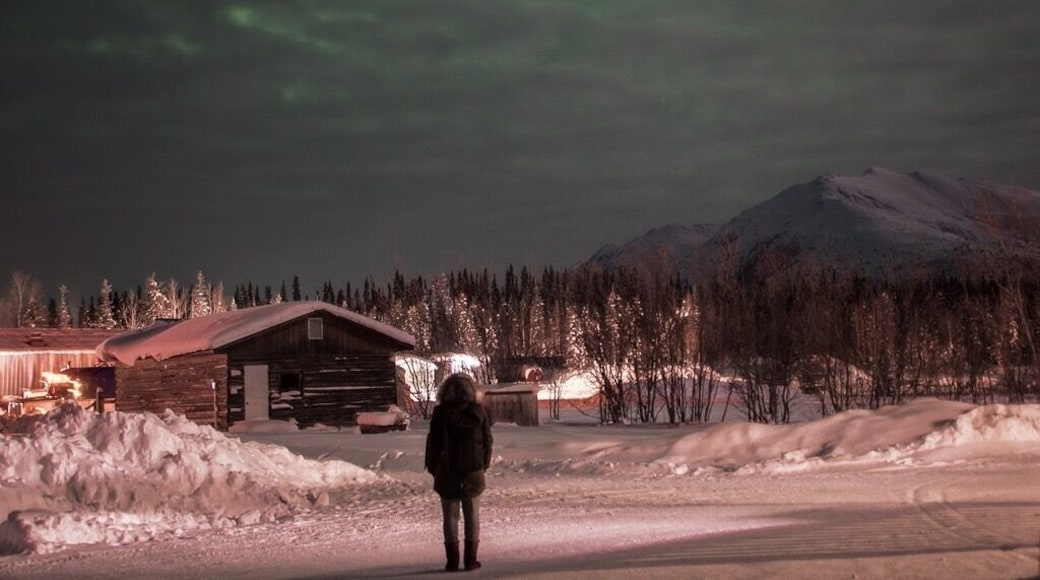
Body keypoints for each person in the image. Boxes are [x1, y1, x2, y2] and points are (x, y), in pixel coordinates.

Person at [425, 373, 493, 571]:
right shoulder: (478, 412)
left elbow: (433, 442)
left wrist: (433, 466)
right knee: (472, 515)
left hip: (447, 470)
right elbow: (487, 440)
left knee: (450, 516)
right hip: (473, 470)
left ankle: (452, 561)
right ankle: (471, 560)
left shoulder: (440, 413)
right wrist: (484, 464)